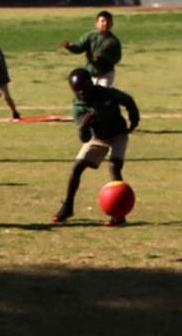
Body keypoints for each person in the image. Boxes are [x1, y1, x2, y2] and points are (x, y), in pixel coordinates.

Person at [53, 69, 139, 224]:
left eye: (84, 88)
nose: (81, 93)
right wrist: (83, 128)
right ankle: (68, 206)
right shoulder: (78, 108)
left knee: (114, 168)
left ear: (91, 83)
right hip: (98, 138)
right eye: (77, 90)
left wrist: (134, 120)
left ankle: (119, 213)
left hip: (118, 135)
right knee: (77, 168)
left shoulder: (107, 94)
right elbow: (85, 139)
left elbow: (128, 100)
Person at [62, 9, 122, 86]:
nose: (105, 23)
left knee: (102, 95)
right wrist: (70, 47)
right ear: (96, 23)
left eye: (108, 21)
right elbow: (79, 47)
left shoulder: (114, 41)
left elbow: (116, 58)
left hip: (106, 74)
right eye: (102, 21)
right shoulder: (90, 36)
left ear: (111, 24)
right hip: (90, 73)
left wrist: (101, 59)